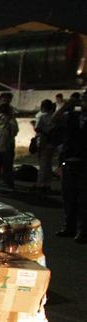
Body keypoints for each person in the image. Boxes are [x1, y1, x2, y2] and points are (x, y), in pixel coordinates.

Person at [54, 91, 87, 242]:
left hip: (83, 162)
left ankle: (82, 230)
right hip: (69, 160)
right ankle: (70, 227)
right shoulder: (73, 116)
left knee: (83, 198)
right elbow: (56, 119)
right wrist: (69, 104)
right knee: (68, 196)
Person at [33, 99, 58, 193]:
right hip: (51, 142)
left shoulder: (41, 116)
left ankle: (41, 184)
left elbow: (37, 128)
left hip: (43, 142)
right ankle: (47, 184)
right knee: (48, 164)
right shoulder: (54, 116)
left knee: (43, 163)